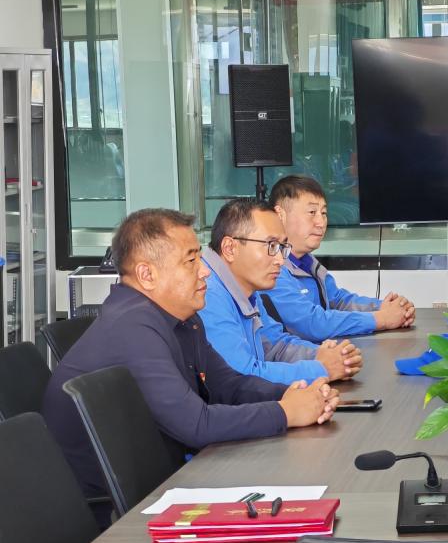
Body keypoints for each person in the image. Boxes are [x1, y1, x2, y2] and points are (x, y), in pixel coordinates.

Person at [42, 208, 340, 511]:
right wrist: (285, 413)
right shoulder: (133, 326)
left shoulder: (182, 318)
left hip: (165, 481)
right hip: (116, 515)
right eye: (191, 261)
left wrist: (297, 395)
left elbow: (229, 385)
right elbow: (196, 424)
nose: (205, 271)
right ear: (147, 275)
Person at [199, 198, 363, 385]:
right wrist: (322, 369)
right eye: (271, 246)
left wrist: (322, 355)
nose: (280, 260)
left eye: (282, 247)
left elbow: (275, 345)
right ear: (230, 248)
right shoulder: (207, 293)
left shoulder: (245, 285)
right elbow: (242, 377)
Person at [263, 175, 415, 341]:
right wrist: (381, 319)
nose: (321, 222)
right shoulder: (271, 268)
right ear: (280, 215)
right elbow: (313, 324)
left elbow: (338, 300)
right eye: (312, 212)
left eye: (324, 213)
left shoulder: (307, 262)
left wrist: (386, 307)